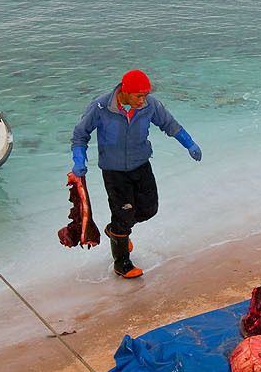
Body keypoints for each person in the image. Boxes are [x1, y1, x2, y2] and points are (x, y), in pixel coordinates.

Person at [70, 69, 202, 278]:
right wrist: (79, 159)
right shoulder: (101, 106)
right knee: (123, 215)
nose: (143, 101)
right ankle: (122, 263)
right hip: (114, 172)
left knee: (150, 209)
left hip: (141, 165)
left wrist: (189, 143)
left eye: (145, 95)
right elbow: (80, 135)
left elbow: (170, 125)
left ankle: (116, 231)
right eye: (139, 96)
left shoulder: (151, 106)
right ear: (125, 91)